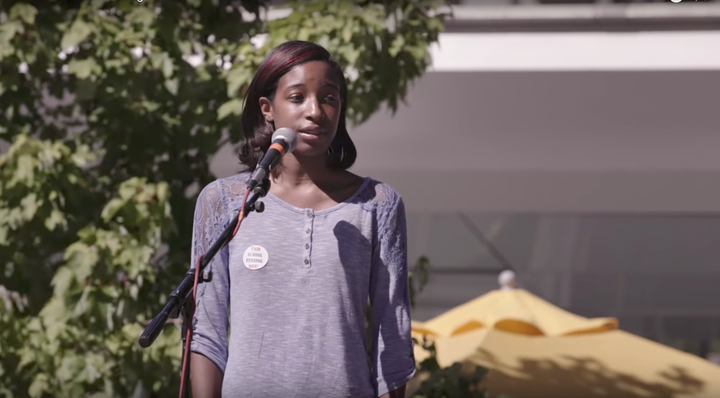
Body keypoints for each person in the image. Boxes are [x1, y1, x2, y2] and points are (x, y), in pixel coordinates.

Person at [189, 40, 415, 398]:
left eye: (329, 98)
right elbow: (206, 329)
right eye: (297, 97)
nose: (315, 111)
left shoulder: (377, 204)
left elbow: (394, 334)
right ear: (267, 108)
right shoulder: (224, 201)